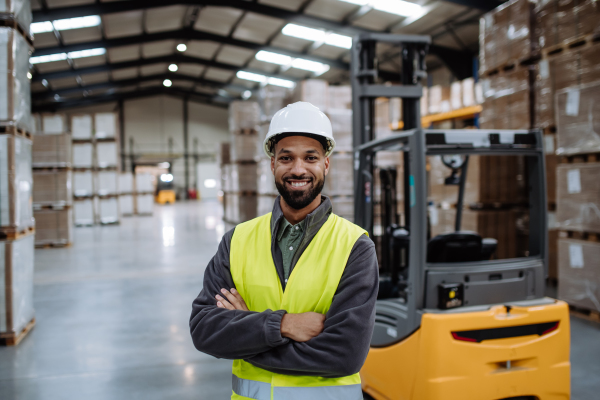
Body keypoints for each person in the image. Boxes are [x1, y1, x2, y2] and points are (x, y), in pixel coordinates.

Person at [189, 101, 378, 400]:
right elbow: (204, 330)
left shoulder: (354, 247)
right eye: (286, 158)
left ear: (326, 164)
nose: (298, 169)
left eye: (310, 157)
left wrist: (246, 333)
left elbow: (344, 354)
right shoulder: (237, 240)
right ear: (273, 165)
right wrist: (284, 325)